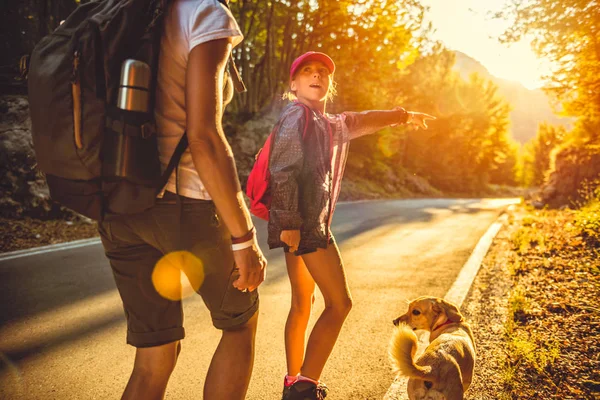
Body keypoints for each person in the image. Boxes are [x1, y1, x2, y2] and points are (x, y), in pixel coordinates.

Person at [97, 1, 267, 399]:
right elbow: (204, 137)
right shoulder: (204, 12)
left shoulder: (123, 11)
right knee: (240, 322)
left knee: (154, 356)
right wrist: (243, 238)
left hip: (117, 203)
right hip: (182, 204)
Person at [268, 51, 435, 400]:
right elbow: (281, 169)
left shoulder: (325, 123)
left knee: (303, 301)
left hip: (299, 223)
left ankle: (293, 379)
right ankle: (303, 388)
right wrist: (290, 223)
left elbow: (361, 120)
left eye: (323, 73)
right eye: (308, 71)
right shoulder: (296, 115)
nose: (317, 76)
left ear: (328, 85)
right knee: (339, 303)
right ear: (293, 84)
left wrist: (402, 115)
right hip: (305, 225)